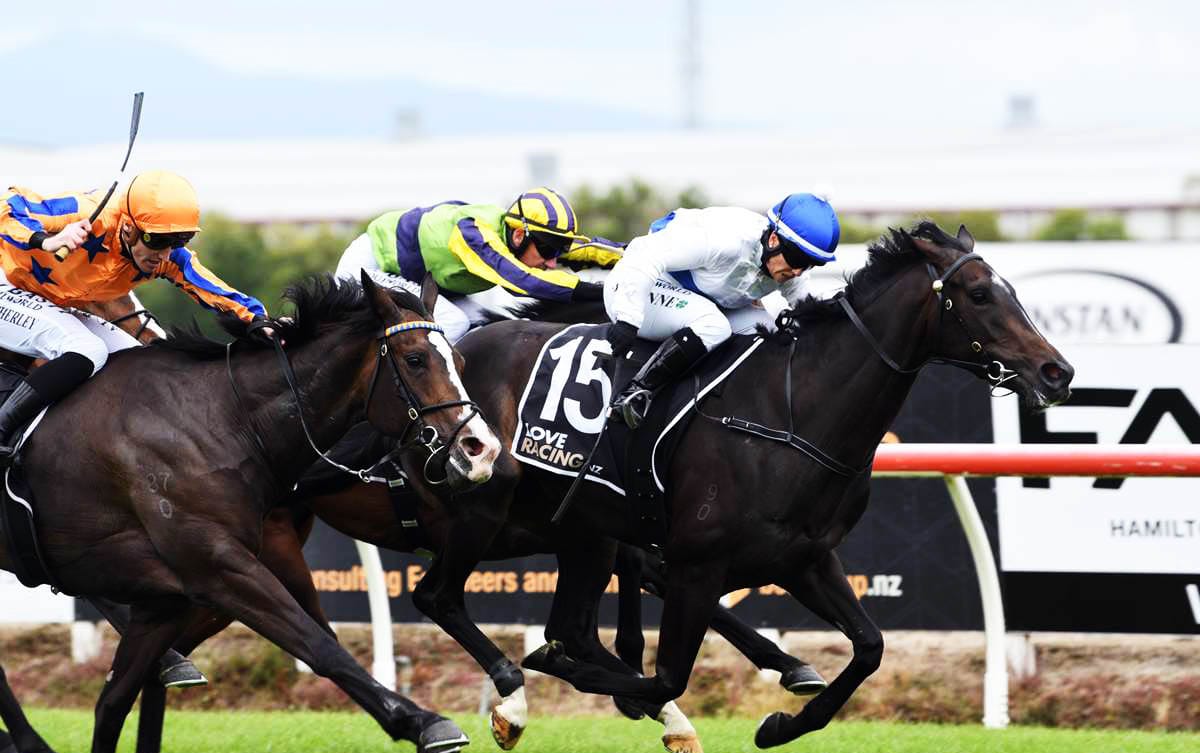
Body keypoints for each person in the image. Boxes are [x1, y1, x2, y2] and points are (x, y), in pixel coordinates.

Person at [0, 170, 267, 462]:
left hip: (50, 301)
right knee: (87, 350)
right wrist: (45, 240)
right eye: (156, 240)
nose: (164, 254)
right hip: (7, 283)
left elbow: (213, 288)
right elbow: (7, 207)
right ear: (128, 227)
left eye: (178, 240)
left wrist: (260, 321)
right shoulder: (88, 212)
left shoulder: (166, 256)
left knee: (139, 360)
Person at [604, 192, 840, 428]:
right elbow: (644, 256)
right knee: (714, 325)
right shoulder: (726, 239)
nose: (799, 271)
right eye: (798, 258)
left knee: (770, 335)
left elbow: (812, 311)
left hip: (705, 302)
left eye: (811, 263)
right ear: (774, 239)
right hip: (641, 285)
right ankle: (636, 393)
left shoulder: (787, 264)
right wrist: (628, 317)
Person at [335, 188, 621, 342]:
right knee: (454, 323)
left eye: (556, 251)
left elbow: (586, 250)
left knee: (480, 331)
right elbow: (526, 282)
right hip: (370, 269)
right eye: (548, 249)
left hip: (429, 284)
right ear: (519, 235)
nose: (552, 261)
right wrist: (602, 291)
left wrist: (639, 255)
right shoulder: (475, 236)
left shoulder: (515, 236)